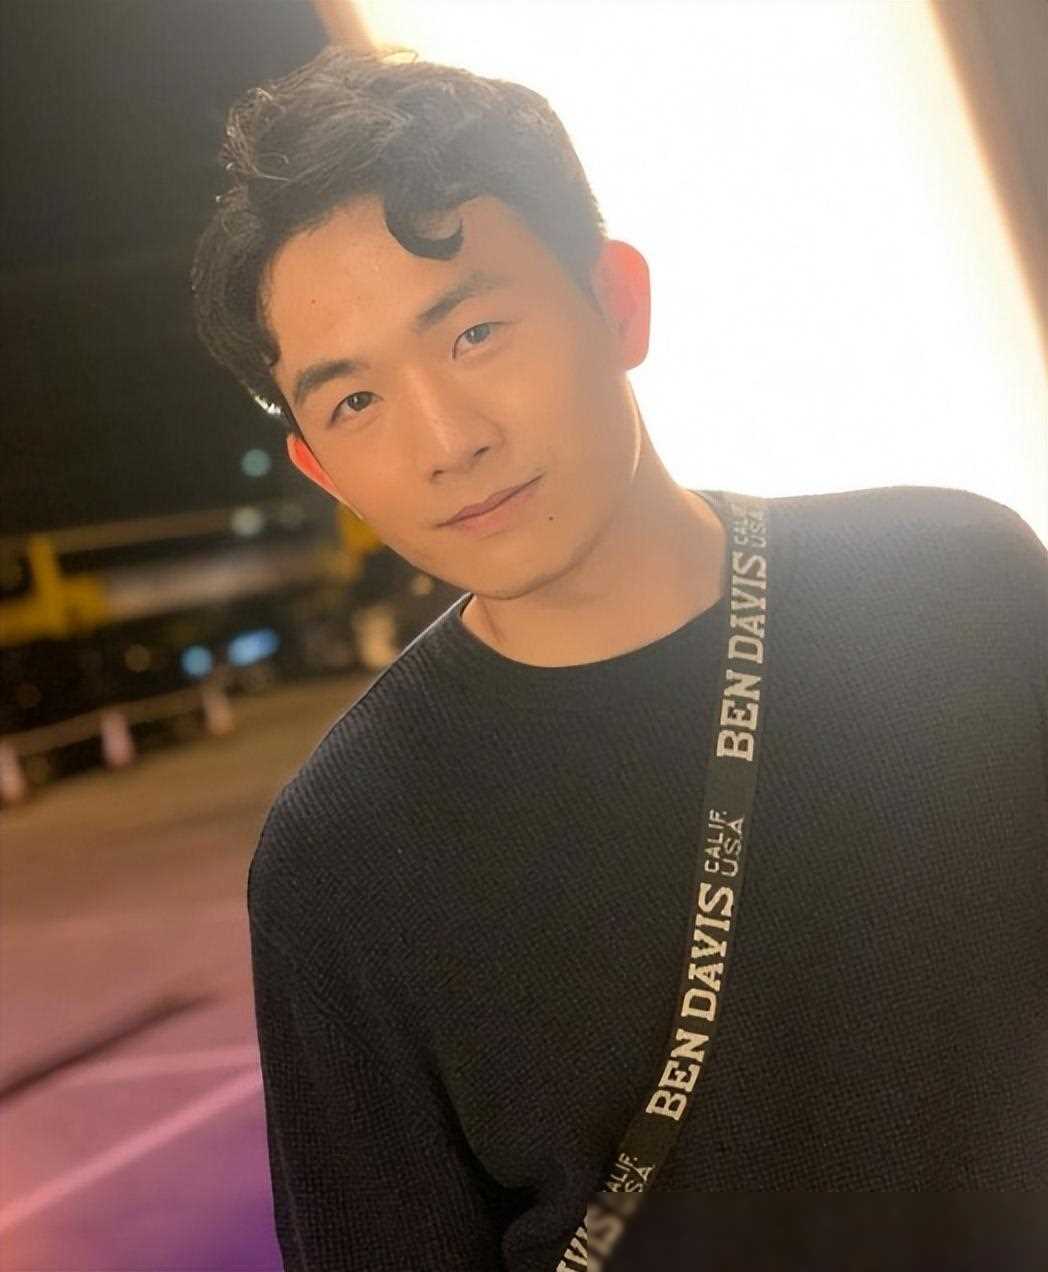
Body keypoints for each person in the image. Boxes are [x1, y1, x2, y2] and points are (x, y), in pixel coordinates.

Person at [191, 46, 1048, 1272]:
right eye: (356, 402)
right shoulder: (344, 852)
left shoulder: (957, 584)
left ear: (618, 302)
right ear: (321, 467)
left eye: (474, 331)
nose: (445, 440)